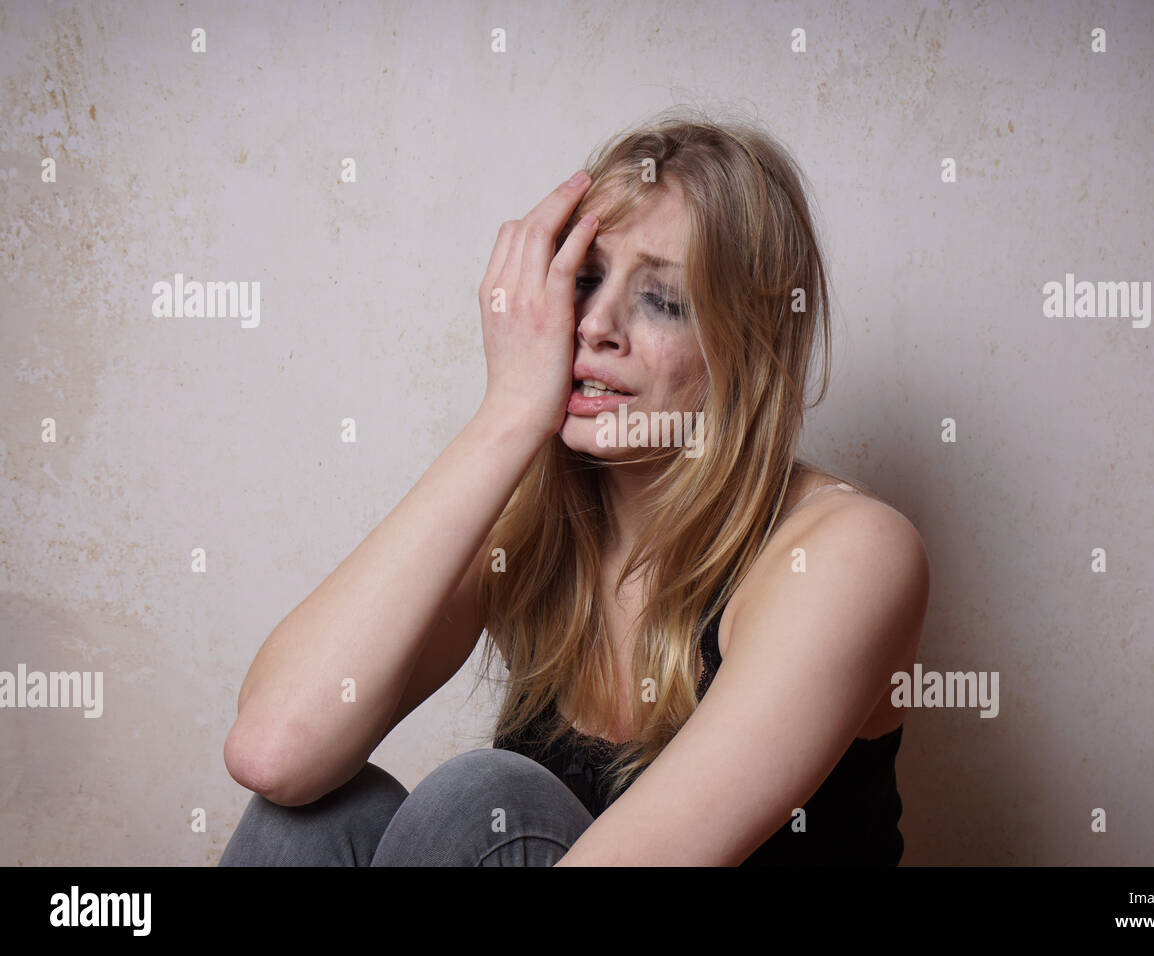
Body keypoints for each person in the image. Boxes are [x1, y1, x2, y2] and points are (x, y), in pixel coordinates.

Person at [219, 108, 929, 867]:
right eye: (581, 281)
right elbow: (274, 752)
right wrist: (507, 416)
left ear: (749, 344)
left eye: (662, 299)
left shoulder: (848, 551)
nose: (594, 325)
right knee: (309, 820)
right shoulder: (530, 527)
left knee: (482, 802)